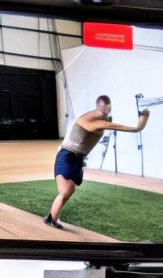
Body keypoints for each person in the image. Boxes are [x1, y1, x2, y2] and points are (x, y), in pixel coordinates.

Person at [43, 95, 149, 228]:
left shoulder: (98, 119)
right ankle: (51, 220)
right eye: (103, 110)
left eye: (106, 110)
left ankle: (51, 217)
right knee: (66, 190)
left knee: (69, 191)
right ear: (100, 107)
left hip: (77, 158)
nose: (105, 112)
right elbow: (135, 128)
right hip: (67, 156)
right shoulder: (92, 121)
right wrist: (142, 119)